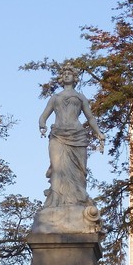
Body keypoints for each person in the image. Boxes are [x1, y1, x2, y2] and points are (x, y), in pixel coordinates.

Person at [38, 63, 105, 208]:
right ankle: (56, 200)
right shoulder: (55, 97)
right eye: (64, 73)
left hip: (77, 136)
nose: (67, 75)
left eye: (70, 73)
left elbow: (90, 118)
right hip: (57, 135)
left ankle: (77, 201)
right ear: (61, 78)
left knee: (79, 171)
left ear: (75, 78)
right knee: (57, 168)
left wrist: (98, 132)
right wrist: (42, 124)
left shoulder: (80, 97)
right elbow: (43, 116)